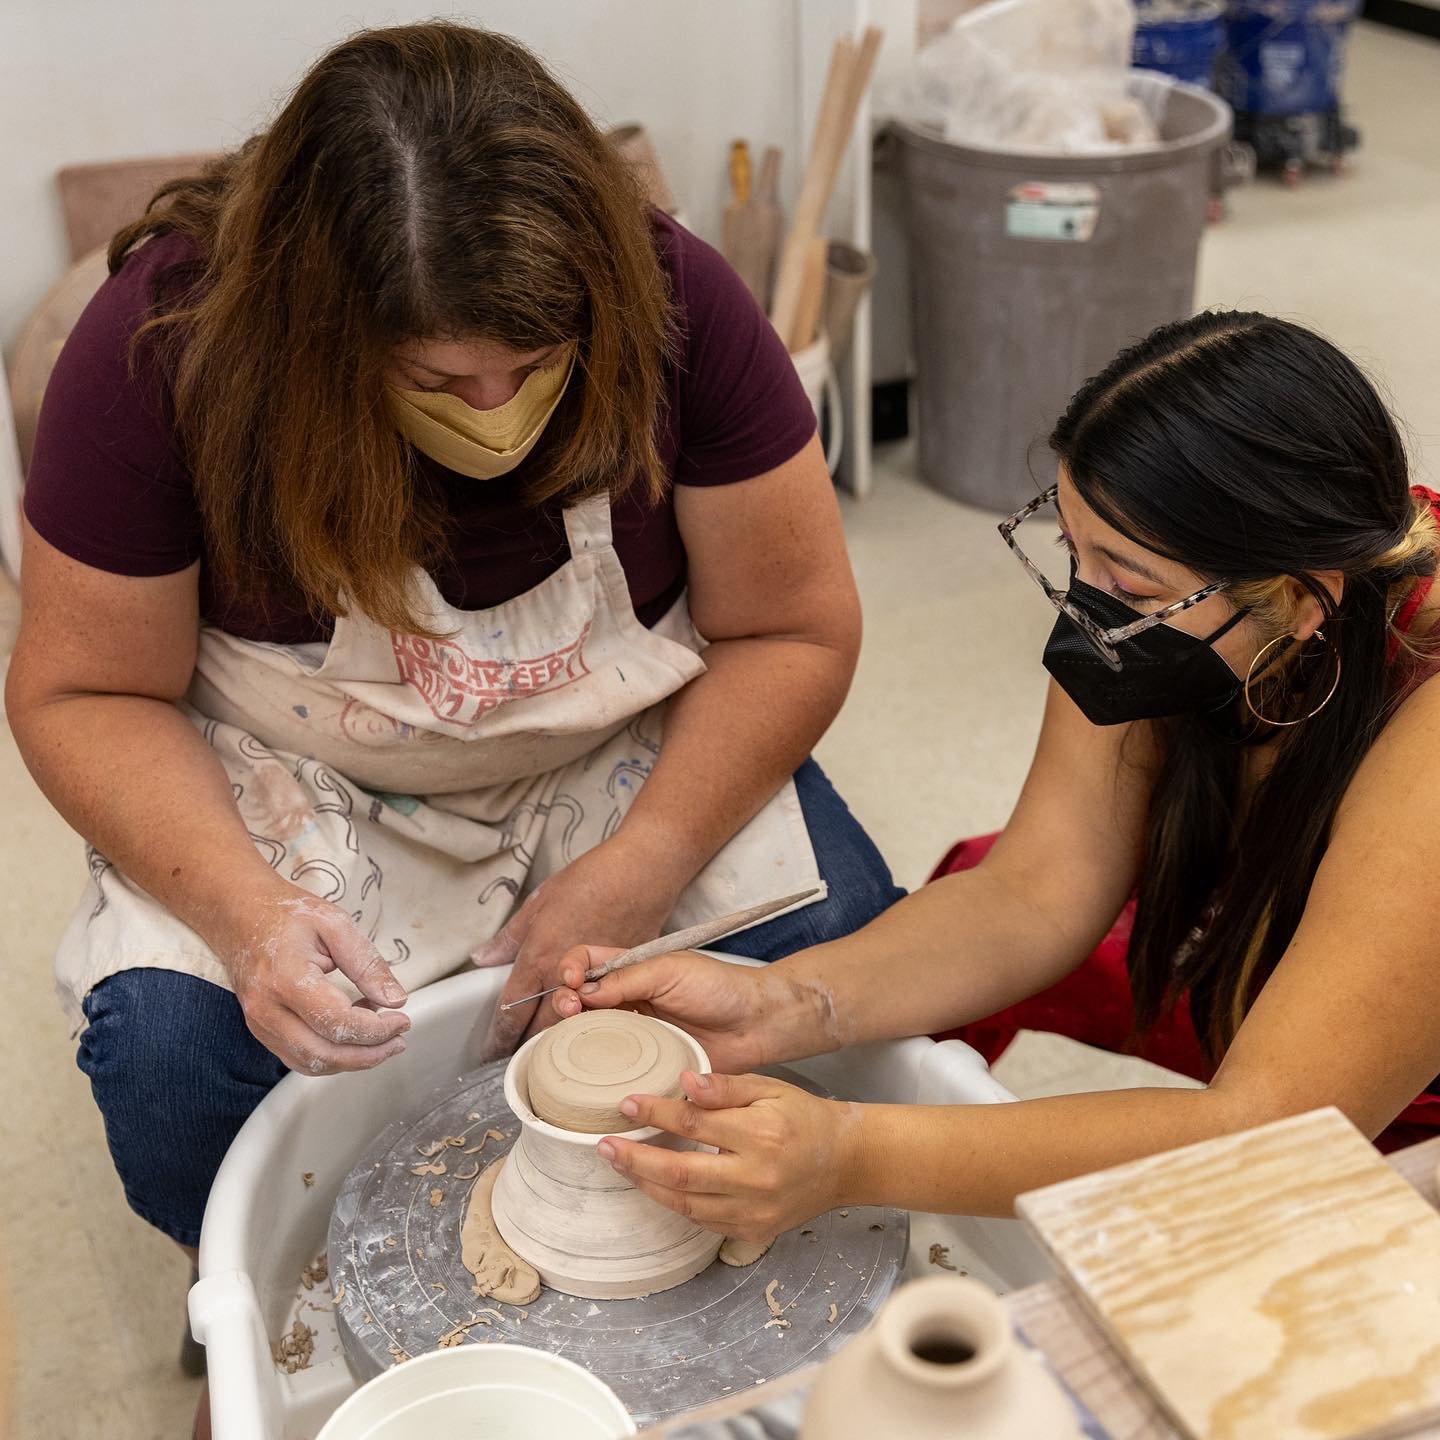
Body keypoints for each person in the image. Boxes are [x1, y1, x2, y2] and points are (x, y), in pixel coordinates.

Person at [6, 21, 904, 1279]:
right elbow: (85, 690)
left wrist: (645, 862)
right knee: (172, 1076)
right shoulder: (166, 349)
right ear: (313, 340)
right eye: (437, 378)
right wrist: (245, 913)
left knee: (848, 958)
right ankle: (288, 1279)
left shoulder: (678, 296)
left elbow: (793, 626)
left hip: (604, 752)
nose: (494, 417)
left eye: (534, 369)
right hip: (301, 785)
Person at [548, 311, 1440, 1240]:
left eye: (1127, 586)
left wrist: (856, 1154)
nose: (1086, 606)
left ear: (1300, 603)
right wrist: (780, 1002)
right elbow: (1033, 891)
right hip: (1276, 925)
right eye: (1071, 553)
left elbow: (1269, 1131)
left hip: (1412, 1075)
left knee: (1286, 1262)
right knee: (967, 880)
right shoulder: (1210, 586)